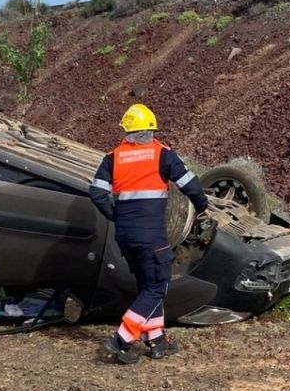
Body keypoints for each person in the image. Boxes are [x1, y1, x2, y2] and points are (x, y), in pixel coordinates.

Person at [89, 103, 209, 364]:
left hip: (125, 236)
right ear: (151, 130)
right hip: (151, 236)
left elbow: (96, 193)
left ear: (127, 131)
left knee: (146, 285)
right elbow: (191, 185)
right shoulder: (162, 155)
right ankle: (121, 340)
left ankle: (156, 341)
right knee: (157, 286)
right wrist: (202, 206)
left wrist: (116, 215)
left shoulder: (113, 157)